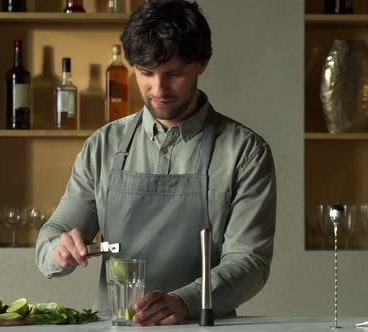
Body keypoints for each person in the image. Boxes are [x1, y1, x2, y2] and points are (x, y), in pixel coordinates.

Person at [35, 0, 276, 326]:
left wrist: (184, 301)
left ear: (201, 64)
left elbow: (250, 261)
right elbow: (53, 236)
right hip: (116, 324)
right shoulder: (103, 146)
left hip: (202, 324)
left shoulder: (244, 152)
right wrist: (59, 249)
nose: (158, 89)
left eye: (173, 74)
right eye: (146, 74)